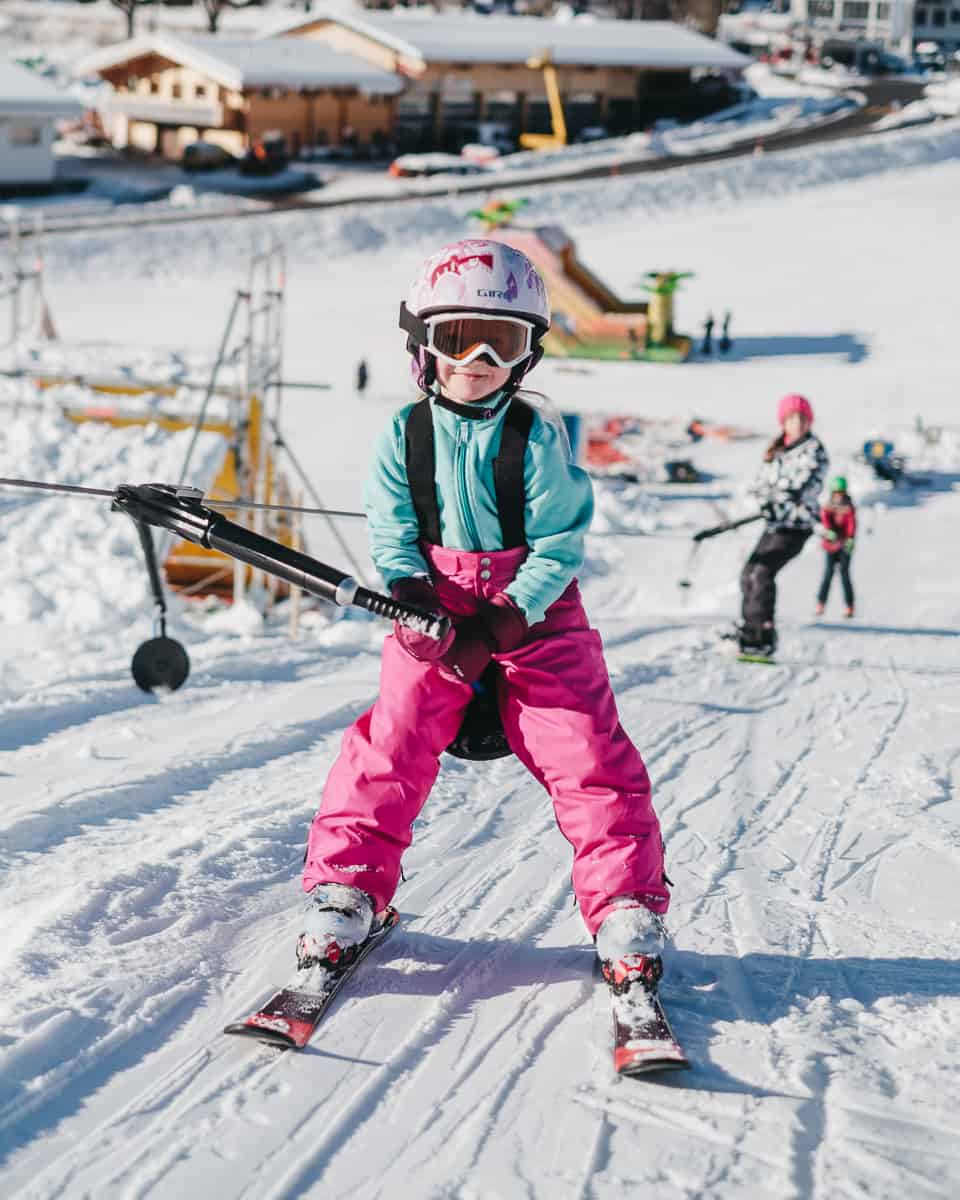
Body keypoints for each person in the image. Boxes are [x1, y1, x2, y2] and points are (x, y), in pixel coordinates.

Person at [298, 238, 670, 979]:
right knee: (391, 740)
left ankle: (625, 903)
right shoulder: (403, 436)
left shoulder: (536, 436)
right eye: (456, 340)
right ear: (422, 346)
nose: (477, 363)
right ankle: (346, 887)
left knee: (586, 748)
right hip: (433, 605)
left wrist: (505, 617)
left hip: (534, 610)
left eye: (500, 345)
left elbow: (561, 541)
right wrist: (410, 594)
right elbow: (391, 530)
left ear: (527, 356)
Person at [737, 393, 828, 656]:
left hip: (796, 525)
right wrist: (762, 500)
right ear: (783, 422)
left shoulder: (814, 451)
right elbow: (760, 484)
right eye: (791, 418)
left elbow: (806, 486)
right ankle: (749, 628)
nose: (797, 423)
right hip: (775, 524)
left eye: (802, 418)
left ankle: (763, 633)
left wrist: (782, 500)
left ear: (809, 421)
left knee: (763, 572)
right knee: (748, 573)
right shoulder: (776, 451)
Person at [816, 476, 856, 618]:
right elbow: (824, 519)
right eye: (837, 492)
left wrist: (850, 538)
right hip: (830, 545)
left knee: (845, 575)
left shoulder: (849, 506)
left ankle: (849, 606)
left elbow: (852, 524)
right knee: (828, 574)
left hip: (844, 546)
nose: (839, 494)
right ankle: (820, 603)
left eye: (841, 492)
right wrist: (829, 531)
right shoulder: (828, 506)